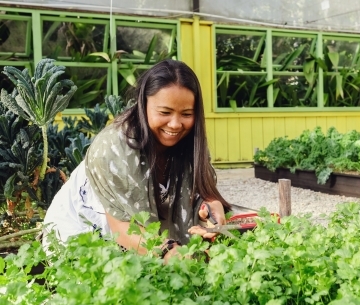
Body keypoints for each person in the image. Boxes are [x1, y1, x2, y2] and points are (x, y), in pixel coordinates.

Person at [43, 59, 231, 262]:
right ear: (143, 104)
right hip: (80, 239)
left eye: (186, 114)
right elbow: (122, 227)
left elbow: (204, 191)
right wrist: (168, 251)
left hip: (135, 243)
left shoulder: (190, 143)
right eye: (165, 112)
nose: (176, 124)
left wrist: (213, 208)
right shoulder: (113, 147)